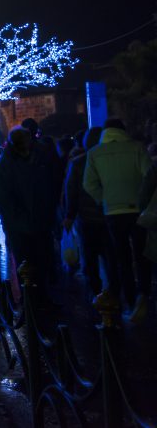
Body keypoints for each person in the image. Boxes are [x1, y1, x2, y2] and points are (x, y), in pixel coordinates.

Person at [83, 118, 153, 323]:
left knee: (121, 257)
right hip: (138, 210)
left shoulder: (94, 153)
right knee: (142, 254)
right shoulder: (137, 148)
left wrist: (103, 199)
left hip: (113, 211)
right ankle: (144, 294)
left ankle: (130, 300)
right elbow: (149, 175)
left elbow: (89, 184)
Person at [0, 125, 55, 303]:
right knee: (25, 261)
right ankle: (29, 299)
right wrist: (16, 215)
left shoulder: (37, 159)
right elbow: (3, 195)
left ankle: (41, 296)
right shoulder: (7, 164)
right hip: (19, 222)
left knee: (41, 260)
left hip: (38, 220)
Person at [63, 127, 112, 297]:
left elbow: (71, 191)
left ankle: (95, 293)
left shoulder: (78, 163)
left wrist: (69, 215)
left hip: (87, 217)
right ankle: (114, 292)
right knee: (110, 257)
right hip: (109, 215)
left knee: (89, 257)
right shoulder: (109, 160)